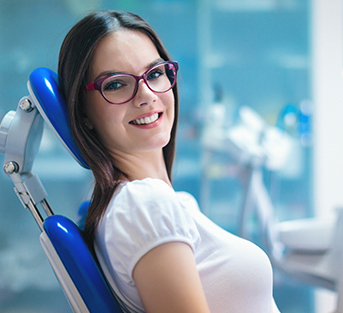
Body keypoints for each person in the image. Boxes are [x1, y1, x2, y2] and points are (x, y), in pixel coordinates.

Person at [58, 10, 280, 313]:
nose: (147, 95)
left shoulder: (157, 202)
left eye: (154, 74)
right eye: (115, 84)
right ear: (83, 113)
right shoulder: (145, 205)